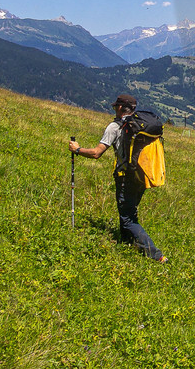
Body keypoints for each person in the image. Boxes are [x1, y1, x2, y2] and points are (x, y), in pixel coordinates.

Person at [68, 94, 166, 263]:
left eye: (115, 107)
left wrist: (77, 150)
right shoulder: (142, 125)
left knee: (128, 218)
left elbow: (97, 153)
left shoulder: (115, 127)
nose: (114, 109)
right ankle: (126, 243)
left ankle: (156, 255)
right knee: (129, 210)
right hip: (141, 175)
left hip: (125, 177)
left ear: (120, 108)